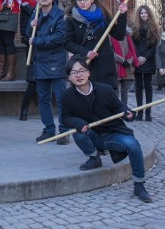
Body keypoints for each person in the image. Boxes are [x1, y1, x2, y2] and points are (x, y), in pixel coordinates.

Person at [61, 58, 152, 203]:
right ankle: (94, 157)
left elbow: (119, 107)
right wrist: (78, 123)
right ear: (69, 77)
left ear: (88, 73)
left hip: (113, 132)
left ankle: (139, 185)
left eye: (82, 71)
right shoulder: (67, 96)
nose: (78, 75)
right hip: (92, 134)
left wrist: (127, 113)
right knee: (77, 133)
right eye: (74, 73)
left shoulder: (104, 89)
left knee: (133, 145)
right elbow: (65, 118)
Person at [21, 0, 70, 144]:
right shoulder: (36, 14)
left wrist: (37, 41)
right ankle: (49, 129)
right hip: (40, 62)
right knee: (43, 98)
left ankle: (64, 131)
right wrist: (31, 26)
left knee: (61, 98)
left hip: (56, 61)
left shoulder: (60, 16)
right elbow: (28, 35)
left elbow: (59, 38)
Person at [65, 0, 127, 91]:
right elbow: (68, 43)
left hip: (105, 65)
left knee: (106, 100)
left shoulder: (102, 14)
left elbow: (119, 35)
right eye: (79, 0)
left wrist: (122, 15)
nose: (82, 2)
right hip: (84, 65)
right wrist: (86, 52)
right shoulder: (71, 18)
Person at [131, 5, 159, 122]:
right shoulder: (134, 28)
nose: (144, 15)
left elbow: (154, 46)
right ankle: (139, 111)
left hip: (149, 60)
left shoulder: (154, 28)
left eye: (145, 13)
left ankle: (148, 113)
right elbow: (133, 45)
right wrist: (138, 57)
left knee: (148, 87)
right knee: (138, 87)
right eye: (142, 13)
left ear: (149, 14)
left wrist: (145, 57)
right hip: (138, 60)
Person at [111, 29, 138, 106]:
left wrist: (128, 61)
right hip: (116, 66)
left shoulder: (127, 36)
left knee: (125, 92)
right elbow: (111, 51)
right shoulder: (110, 35)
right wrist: (122, 60)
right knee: (115, 91)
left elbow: (132, 49)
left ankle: (124, 108)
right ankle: (116, 109)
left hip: (127, 67)